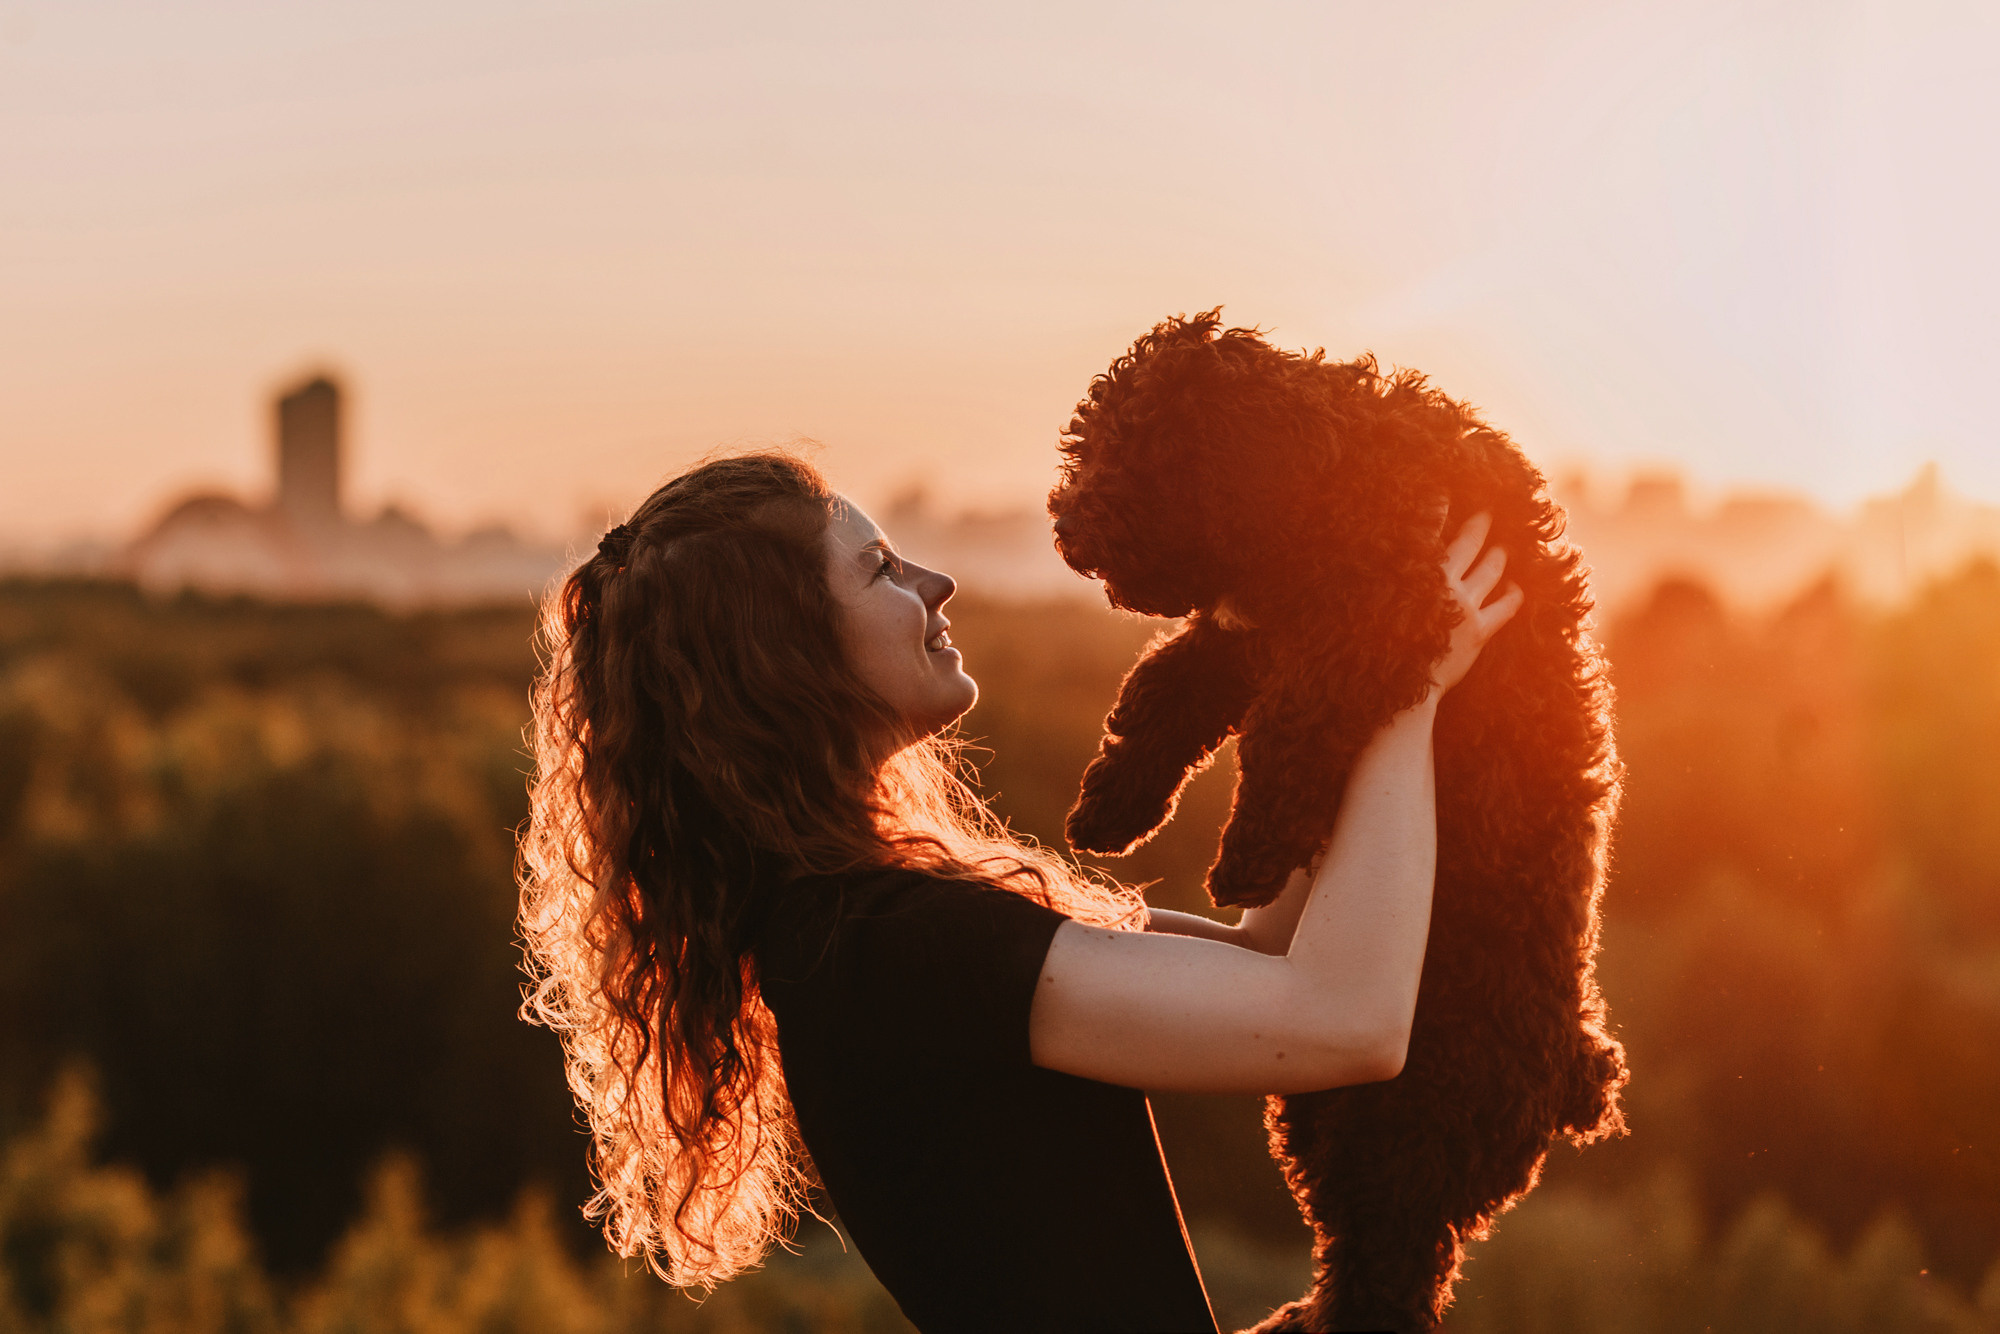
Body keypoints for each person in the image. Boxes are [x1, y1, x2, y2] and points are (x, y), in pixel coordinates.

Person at [517, 451, 1520, 1333]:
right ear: (786, 658)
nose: (936, 579)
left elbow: (1263, 959)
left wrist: (1329, 681)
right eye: (877, 568)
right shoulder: (886, 946)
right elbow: (1345, 1020)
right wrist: (1406, 688)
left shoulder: (860, 924)